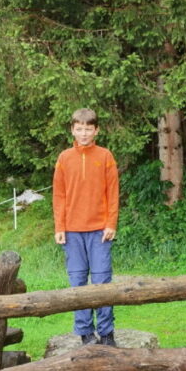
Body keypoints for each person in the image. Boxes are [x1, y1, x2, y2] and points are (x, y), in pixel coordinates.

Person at [53, 108, 119, 346]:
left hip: (100, 231)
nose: (83, 133)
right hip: (72, 232)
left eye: (88, 129)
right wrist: (60, 227)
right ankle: (85, 332)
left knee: (102, 281)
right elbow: (59, 195)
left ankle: (107, 332)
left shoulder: (105, 156)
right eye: (79, 129)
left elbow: (113, 193)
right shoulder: (64, 158)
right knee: (78, 282)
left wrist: (111, 223)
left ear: (96, 130)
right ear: (72, 130)